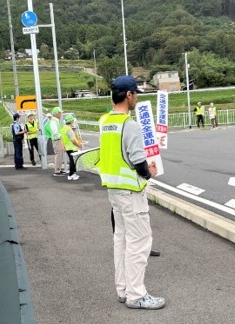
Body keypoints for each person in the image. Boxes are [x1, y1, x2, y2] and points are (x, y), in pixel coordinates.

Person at [99, 75, 165, 310]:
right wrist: (150, 172)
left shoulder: (105, 121)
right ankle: (136, 295)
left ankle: (123, 290)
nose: (136, 97)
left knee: (122, 241)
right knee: (140, 242)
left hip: (114, 191)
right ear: (128, 95)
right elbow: (138, 162)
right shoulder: (130, 125)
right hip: (131, 192)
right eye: (135, 93)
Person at [61, 115, 83, 181]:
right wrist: (79, 145)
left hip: (68, 147)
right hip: (72, 147)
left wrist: (63, 146)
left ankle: (72, 173)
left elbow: (62, 138)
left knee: (72, 161)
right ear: (71, 121)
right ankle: (71, 175)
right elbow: (73, 140)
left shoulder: (63, 128)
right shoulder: (69, 129)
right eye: (73, 120)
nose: (73, 122)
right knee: (72, 161)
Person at [50, 107, 67, 176]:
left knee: (60, 155)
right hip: (56, 140)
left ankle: (59, 169)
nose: (61, 114)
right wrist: (61, 136)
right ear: (56, 113)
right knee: (58, 155)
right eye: (60, 113)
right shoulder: (54, 121)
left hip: (58, 140)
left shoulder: (56, 120)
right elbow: (55, 132)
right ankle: (57, 170)